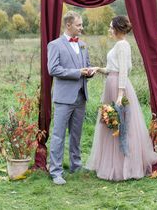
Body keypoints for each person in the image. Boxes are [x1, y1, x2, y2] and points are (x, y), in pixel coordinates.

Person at [87, 15, 157, 181]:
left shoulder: (122, 45)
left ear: (118, 29)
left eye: (111, 27)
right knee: (113, 124)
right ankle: (113, 163)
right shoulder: (119, 45)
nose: (109, 30)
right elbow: (113, 69)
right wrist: (98, 68)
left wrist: (120, 95)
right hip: (112, 83)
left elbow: (123, 72)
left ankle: (124, 166)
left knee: (121, 125)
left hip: (118, 86)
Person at [47, 11, 94, 185]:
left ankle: (76, 165)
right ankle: (56, 171)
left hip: (81, 96)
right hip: (63, 98)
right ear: (68, 25)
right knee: (58, 135)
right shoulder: (55, 45)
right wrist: (77, 73)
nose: (82, 28)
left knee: (76, 134)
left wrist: (89, 72)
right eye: (79, 25)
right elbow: (53, 69)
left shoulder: (83, 45)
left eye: (81, 25)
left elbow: (86, 66)